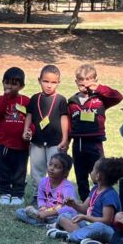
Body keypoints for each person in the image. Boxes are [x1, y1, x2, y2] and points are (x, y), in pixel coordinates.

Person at [67, 64, 122, 199]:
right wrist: (66, 141)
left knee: (99, 173)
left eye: (88, 79)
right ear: (76, 82)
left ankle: (98, 199)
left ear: (95, 80)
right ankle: (85, 202)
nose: (85, 83)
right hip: (78, 143)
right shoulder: (72, 102)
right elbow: (69, 123)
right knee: (80, 176)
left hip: (95, 143)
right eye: (81, 80)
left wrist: (99, 88)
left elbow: (117, 97)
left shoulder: (100, 98)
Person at [49, 157, 123, 244]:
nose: (91, 171)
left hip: (105, 230)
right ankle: (84, 237)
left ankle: (71, 236)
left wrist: (85, 217)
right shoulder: (95, 189)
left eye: (93, 169)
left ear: (98, 176)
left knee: (98, 227)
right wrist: (73, 204)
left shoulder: (109, 195)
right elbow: (84, 208)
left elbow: (106, 221)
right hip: (89, 225)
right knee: (64, 215)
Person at [22, 65, 70, 200]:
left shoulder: (61, 100)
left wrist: (65, 139)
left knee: (55, 169)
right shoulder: (34, 98)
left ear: (59, 82)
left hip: (55, 142)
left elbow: (64, 119)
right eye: (45, 81)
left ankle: (55, 195)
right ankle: (38, 194)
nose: (49, 85)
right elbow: (29, 115)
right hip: (37, 141)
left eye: (53, 82)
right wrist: (26, 130)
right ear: (39, 80)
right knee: (36, 169)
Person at [0, 67, 30, 206]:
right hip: (4, 143)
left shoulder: (26, 101)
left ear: (21, 86)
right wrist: (6, 98)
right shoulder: (0, 99)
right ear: (3, 82)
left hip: (21, 144)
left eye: (14, 84)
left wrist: (29, 131)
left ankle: (17, 193)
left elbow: (31, 120)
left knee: (20, 171)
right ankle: (4, 192)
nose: (9, 86)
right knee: (3, 169)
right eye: (7, 82)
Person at [15, 152, 76, 226]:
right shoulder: (43, 182)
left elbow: (70, 208)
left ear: (65, 172)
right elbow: (41, 198)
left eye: (57, 167)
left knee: (66, 217)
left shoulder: (67, 187)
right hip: (46, 213)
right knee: (19, 212)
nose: (51, 168)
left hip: (58, 215)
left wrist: (47, 214)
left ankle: (45, 223)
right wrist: (42, 207)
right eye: (50, 164)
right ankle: (47, 224)